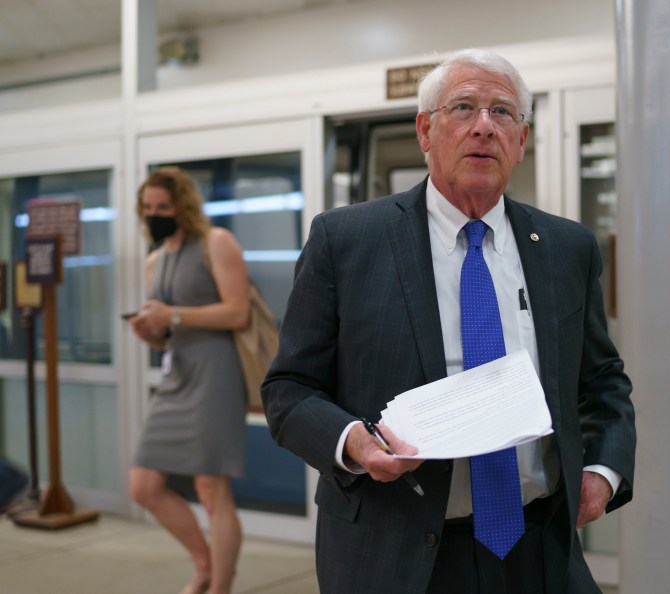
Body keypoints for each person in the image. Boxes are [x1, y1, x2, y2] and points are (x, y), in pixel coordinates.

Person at [262, 49, 636, 594]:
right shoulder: (346, 242)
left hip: (540, 549)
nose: (484, 127)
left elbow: (602, 381)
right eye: (464, 108)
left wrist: (602, 473)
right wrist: (354, 443)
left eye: (503, 113)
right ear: (424, 131)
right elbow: (288, 390)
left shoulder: (566, 247)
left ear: (522, 140)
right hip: (395, 552)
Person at [128, 166, 249, 594]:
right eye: (147, 207)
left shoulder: (215, 243)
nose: (154, 213)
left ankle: (219, 585)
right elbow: (167, 334)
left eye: (163, 206)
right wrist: (153, 333)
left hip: (216, 371)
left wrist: (174, 315)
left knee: (212, 488)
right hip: (177, 371)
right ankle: (203, 561)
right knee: (142, 486)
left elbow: (238, 312)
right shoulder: (154, 259)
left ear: (183, 206)